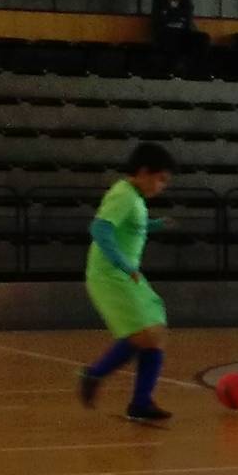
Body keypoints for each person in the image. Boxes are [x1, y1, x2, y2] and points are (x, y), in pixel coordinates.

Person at [78, 143, 176, 422]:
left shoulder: (134, 197)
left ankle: (141, 403)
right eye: (160, 179)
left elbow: (132, 226)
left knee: (155, 332)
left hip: (127, 275)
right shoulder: (123, 195)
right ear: (144, 172)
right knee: (143, 334)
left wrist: (156, 224)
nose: (162, 186)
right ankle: (95, 374)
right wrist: (123, 264)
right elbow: (100, 229)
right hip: (110, 276)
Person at [150, 0, 205, 68]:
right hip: (165, 31)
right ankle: (174, 67)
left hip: (184, 30)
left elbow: (188, 17)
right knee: (170, 38)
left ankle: (197, 68)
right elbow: (158, 18)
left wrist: (169, 16)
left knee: (203, 38)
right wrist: (178, 17)